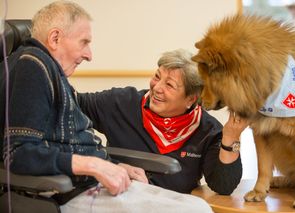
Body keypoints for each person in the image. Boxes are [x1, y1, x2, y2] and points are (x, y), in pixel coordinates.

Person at [0, 1, 213, 212]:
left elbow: (63, 143)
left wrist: (113, 165)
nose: (89, 55)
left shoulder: (50, 71)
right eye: (84, 42)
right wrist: (94, 166)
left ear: (191, 99)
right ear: (55, 38)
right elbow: (19, 153)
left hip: (90, 185)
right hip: (69, 192)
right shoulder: (32, 66)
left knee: (198, 205)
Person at [77, 48, 249, 194]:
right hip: (119, 202)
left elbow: (223, 186)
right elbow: (70, 104)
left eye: (169, 85)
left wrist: (231, 137)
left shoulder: (207, 130)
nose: (157, 88)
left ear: (190, 99)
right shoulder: (120, 102)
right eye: (157, 77)